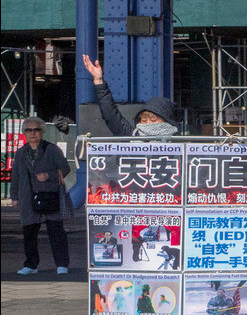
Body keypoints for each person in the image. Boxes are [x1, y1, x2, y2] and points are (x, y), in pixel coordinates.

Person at [12, 116, 72, 275]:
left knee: (56, 231)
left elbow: (65, 169)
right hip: (28, 198)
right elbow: (15, 176)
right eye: (29, 130)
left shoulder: (52, 149)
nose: (32, 133)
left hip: (50, 196)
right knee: (29, 233)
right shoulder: (20, 153)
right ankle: (31, 265)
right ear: (24, 133)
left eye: (36, 129)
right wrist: (14, 197)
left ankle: (62, 264)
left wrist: (49, 175)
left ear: (42, 131)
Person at [82, 55, 179, 136]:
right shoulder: (132, 135)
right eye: (144, 120)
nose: (148, 123)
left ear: (166, 120)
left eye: (153, 119)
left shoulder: (180, 143)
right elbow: (111, 115)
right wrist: (98, 81)